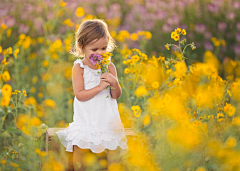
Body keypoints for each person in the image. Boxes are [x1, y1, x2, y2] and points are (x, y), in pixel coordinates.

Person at [56, 19, 129, 171]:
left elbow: (116, 95)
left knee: (114, 153)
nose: (99, 53)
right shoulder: (79, 67)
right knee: (80, 150)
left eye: (103, 48)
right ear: (82, 47)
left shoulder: (109, 67)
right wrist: (100, 86)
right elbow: (80, 95)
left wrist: (115, 83)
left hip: (108, 120)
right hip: (86, 120)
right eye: (94, 49)